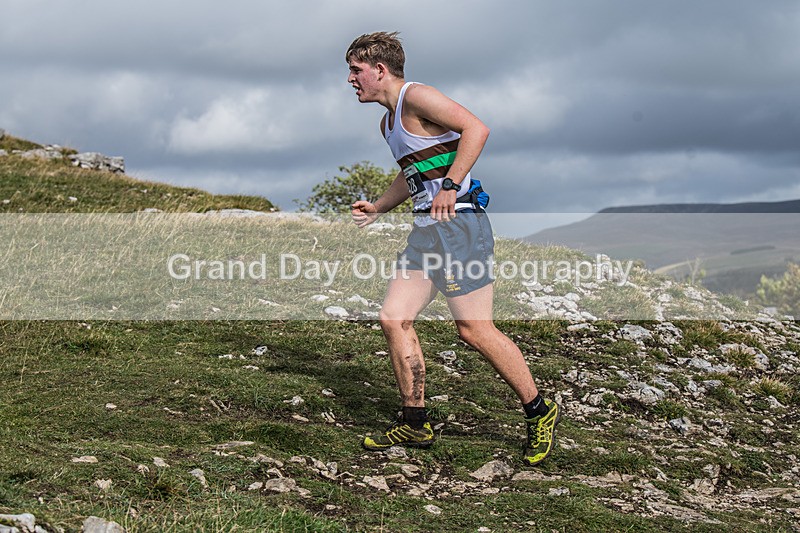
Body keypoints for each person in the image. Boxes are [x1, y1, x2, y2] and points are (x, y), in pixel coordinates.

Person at [346, 31, 560, 466]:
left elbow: (476, 128)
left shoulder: (416, 96)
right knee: (394, 317)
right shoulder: (387, 122)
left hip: (460, 225)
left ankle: (540, 410)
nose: (350, 80)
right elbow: (412, 174)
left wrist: (450, 185)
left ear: (380, 70)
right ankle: (414, 421)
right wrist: (380, 207)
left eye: (355, 70)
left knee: (474, 331)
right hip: (426, 231)